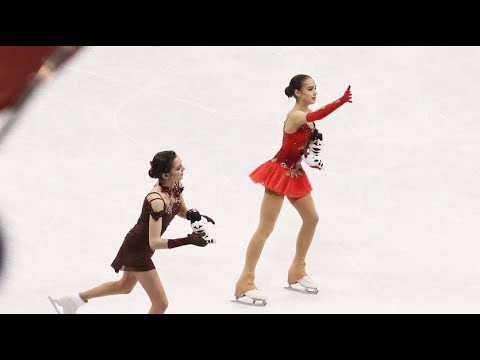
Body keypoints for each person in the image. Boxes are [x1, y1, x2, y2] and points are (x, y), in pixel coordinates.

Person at [233, 75, 352, 305]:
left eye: (316, 88)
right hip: (279, 172)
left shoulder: (308, 121)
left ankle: (297, 270)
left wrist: (311, 157)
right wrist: (340, 100)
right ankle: (244, 282)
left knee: (311, 218)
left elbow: (303, 147)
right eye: (310, 89)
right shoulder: (296, 116)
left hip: (295, 172)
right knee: (265, 228)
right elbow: (317, 115)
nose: (315, 92)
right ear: (298, 93)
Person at [48, 151, 215, 314]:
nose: (183, 169)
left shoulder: (175, 185)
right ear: (165, 175)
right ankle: (74, 300)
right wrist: (188, 240)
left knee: (124, 287)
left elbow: (180, 209)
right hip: (137, 249)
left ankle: (74, 300)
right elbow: (154, 242)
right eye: (178, 168)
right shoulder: (156, 200)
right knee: (161, 303)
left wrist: (193, 215)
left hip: (140, 247)